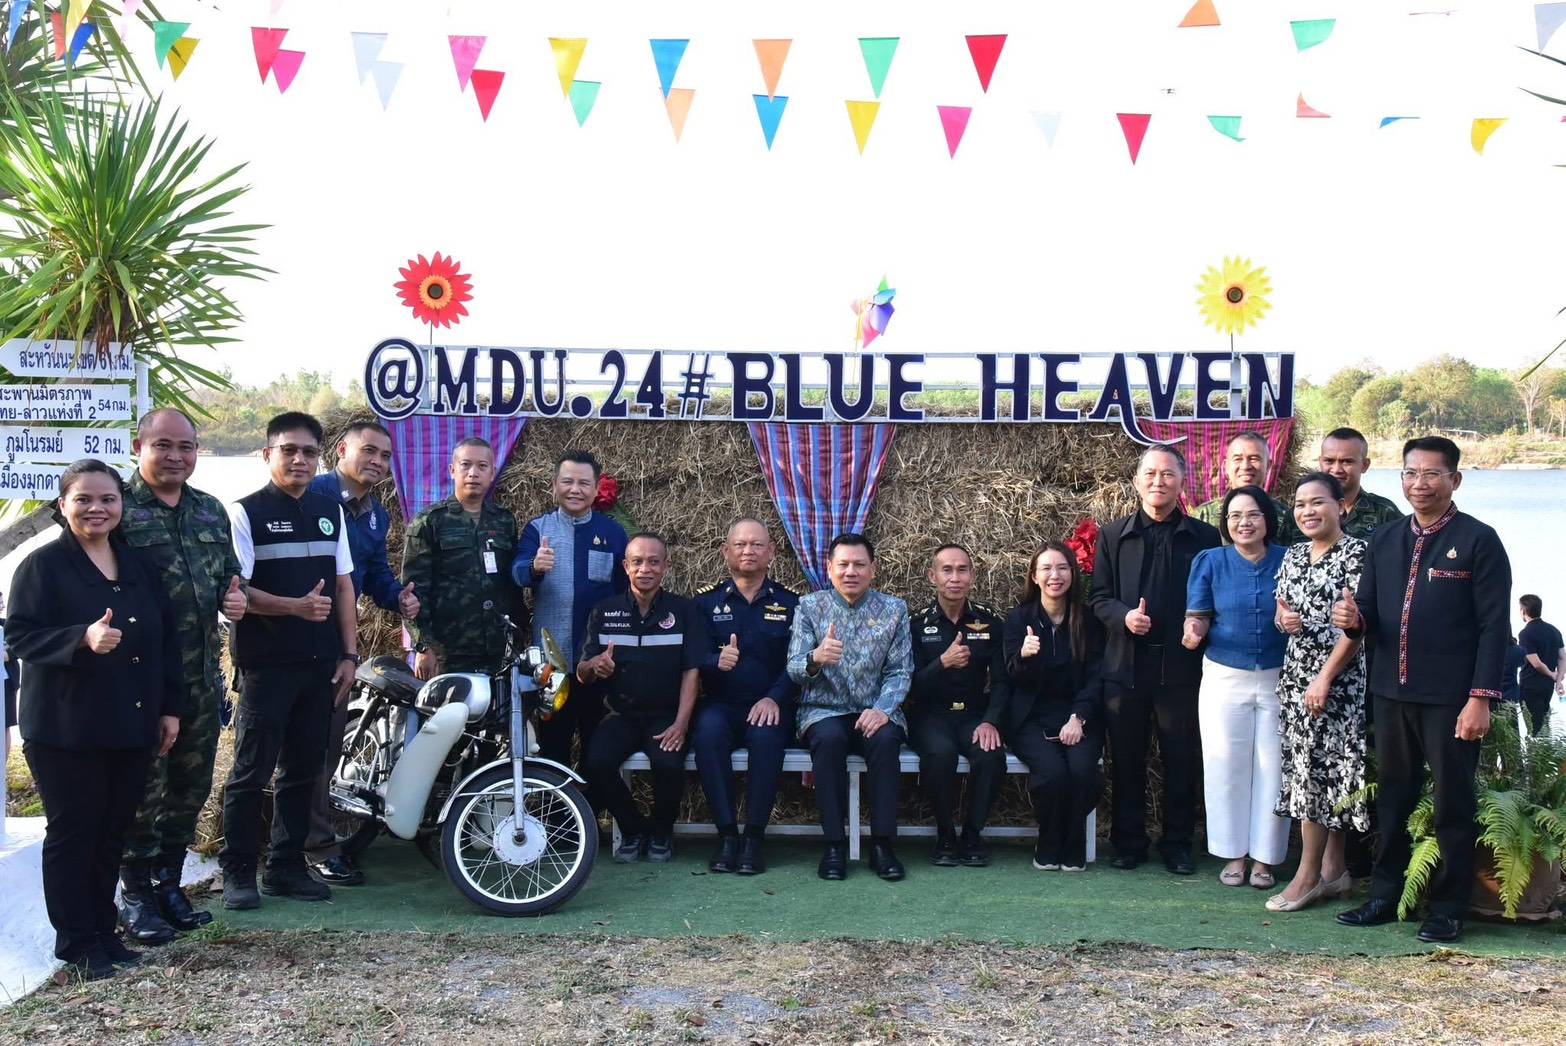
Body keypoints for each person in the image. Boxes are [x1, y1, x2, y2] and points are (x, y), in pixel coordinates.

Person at [8, 460, 181, 980]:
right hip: (66, 728)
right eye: (83, 499)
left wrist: (169, 709)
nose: (97, 509)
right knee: (74, 834)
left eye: (108, 499)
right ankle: (77, 943)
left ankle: (105, 933)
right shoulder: (42, 566)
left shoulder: (137, 564)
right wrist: (80, 638)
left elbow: (165, 643)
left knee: (111, 833)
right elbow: (20, 637)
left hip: (130, 721)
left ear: (122, 504)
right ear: (63, 505)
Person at [1336, 437, 1511, 944]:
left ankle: (1450, 907)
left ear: (1455, 480)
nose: (1420, 483)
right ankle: (1385, 896)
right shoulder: (1386, 538)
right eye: (1411, 473)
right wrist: (1351, 620)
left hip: (1451, 699)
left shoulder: (1478, 540)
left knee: (1453, 803)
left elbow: (1494, 627)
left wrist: (1480, 698)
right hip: (1391, 692)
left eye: (1432, 474)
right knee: (1393, 797)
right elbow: (1367, 614)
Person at [116, 408, 248, 942]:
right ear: (138, 447)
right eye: (163, 445)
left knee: (190, 787)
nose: (176, 456)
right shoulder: (117, 508)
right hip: (140, 680)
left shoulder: (209, 510)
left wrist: (235, 599)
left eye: (186, 446)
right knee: (143, 789)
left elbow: (229, 578)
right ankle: (135, 893)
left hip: (198, 676)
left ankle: (168, 882)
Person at [221, 412, 358, 910]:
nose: (299, 459)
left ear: (320, 458)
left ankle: (285, 867)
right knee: (251, 772)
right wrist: (293, 608)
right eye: (288, 450)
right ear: (268, 455)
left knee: (303, 771)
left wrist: (349, 654)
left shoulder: (330, 511)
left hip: (320, 665)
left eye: (308, 452)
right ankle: (238, 871)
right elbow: (235, 591)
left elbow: (343, 586)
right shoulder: (245, 513)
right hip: (266, 665)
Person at [1088, 444, 1221, 874]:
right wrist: (1124, 617)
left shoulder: (1205, 538)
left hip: (1181, 668)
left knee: (1181, 759)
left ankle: (1178, 843)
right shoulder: (1113, 535)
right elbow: (1098, 598)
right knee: (1126, 759)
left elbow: (1216, 597)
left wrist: (1200, 625)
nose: (1158, 481)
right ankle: (1128, 842)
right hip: (1125, 667)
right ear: (1137, 481)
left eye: (1167, 474)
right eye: (1150, 473)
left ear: (1182, 483)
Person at [303, 421, 420, 887]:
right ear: (340, 450)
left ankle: (316, 844)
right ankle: (288, 848)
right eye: (369, 451)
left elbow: (373, 575)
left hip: (337, 645)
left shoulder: (376, 516)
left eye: (385, 456)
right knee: (285, 749)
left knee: (325, 746)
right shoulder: (310, 495)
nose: (377, 461)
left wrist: (399, 598)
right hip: (291, 638)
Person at [1267, 473, 1369, 912]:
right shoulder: (1293, 554)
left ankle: (1306, 878)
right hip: (1296, 677)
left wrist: (1325, 678)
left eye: (1317, 502)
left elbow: (1358, 627)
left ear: (1341, 506)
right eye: (1300, 504)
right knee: (1309, 769)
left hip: (1337, 680)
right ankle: (1333, 871)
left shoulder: (1358, 553)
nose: (1307, 511)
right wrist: (1283, 621)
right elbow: (1282, 609)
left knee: (1323, 773)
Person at [787, 533, 913, 882]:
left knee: (885, 741)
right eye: (843, 564)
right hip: (824, 709)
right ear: (829, 569)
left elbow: (900, 671)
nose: (851, 571)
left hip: (876, 710)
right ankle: (834, 845)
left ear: (873, 569)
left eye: (859, 564)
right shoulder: (809, 607)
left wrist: (883, 709)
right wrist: (815, 658)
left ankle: (882, 845)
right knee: (828, 741)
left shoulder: (894, 609)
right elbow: (793, 669)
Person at [1182, 485, 1289, 891]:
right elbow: (1198, 615)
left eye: (1253, 514)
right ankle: (1233, 855)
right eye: (1235, 516)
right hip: (1225, 676)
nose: (1244, 523)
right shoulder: (1210, 561)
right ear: (1226, 524)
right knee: (1226, 766)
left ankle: (1265, 859)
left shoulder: (1290, 559)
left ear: (1267, 520)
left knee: (1273, 769)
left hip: (1280, 677)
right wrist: (1193, 631)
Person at [578, 532, 702, 862]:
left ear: (665, 567)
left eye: (653, 562)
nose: (645, 569)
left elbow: (692, 671)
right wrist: (595, 665)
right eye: (637, 562)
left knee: (669, 764)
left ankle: (661, 833)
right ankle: (633, 830)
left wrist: (681, 724)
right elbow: (582, 671)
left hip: (666, 715)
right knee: (597, 763)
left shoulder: (684, 610)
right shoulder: (604, 610)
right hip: (621, 715)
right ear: (625, 566)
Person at [691, 518, 799, 875]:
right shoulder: (705, 604)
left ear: (771, 552)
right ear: (726, 552)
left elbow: (797, 663)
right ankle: (727, 836)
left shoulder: (791, 604)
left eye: (756, 545)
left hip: (769, 704)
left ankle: (753, 838)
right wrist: (714, 661)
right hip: (720, 704)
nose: (748, 551)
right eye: (740, 544)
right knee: (707, 736)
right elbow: (691, 659)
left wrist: (775, 698)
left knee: (767, 741)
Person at [512, 450, 629, 765]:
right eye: (567, 482)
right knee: (553, 746)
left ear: (596, 489)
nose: (575, 489)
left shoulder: (613, 533)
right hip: (553, 665)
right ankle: (555, 798)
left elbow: (626, 591)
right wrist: (534, 567)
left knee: (598, 748)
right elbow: (518, 572)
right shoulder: (538, 530)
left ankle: (593, 798)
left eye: (583, 483)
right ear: (554, 485)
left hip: (598, 661)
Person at [1001, 542, 1105, 873]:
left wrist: (1079, 717)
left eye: (1062, 567)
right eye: (1046, 568)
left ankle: (1072, 841)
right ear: (1034, 576)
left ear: (1073, 573)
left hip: (1078, 716)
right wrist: (1025, 657)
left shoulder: (1088, 621)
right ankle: (1049, 839)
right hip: (1031, 719)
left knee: (1084, 772)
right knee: (1053, 775)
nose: (1054, 575)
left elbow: (1097, 677)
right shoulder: (1019, 620)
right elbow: (1011, 678)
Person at [906, 544, 1008, 867]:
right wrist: (942, 663)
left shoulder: (989, 622)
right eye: (946, 570)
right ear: (932, 576)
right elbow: (907, 685)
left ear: (972, 576)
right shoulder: (915, 624)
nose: (955, 578)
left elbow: (1003, 682)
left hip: (974, 714)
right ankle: (945, 834)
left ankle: (973, 835)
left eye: (962, 570)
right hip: (930, 715)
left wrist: (991, 721)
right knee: (940, 754)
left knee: (990, 754)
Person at [403, 437, 523, 678]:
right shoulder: (429, 521)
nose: (473, 473)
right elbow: (412, 593)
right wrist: (423, 646)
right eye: (465, 465)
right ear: (452, 470)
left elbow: (512, 588)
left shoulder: (504, 521)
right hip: (447, 652)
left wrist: (519, 636)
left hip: (498, 649)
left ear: (492, 473)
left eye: (482, 466)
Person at [1191, 431, 1298, 543]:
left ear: (1268, 465)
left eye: (1254, 458)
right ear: (1226, 466)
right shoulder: (1204, 515)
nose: (1245, 466)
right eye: (1238, 459)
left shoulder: (1286, 516)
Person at [1316, 427, 1405, 540]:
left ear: (1365, 465)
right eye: (1329, 461)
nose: (1337, 469)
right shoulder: (1304, 513)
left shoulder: (1385, 513)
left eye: (1347, 461)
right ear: (1320, 462)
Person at [1517, 594, 1564, 735]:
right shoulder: (1554, 630)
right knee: (1544, 725)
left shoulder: (1525, 633)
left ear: (1523, 611)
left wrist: (1552, 675)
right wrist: (1558, 679)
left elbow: (1536, 663)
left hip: (1530, 685)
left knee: (1534, 729)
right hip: (1547, 686)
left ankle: (1537, 748)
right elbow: (1563, 658)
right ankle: (1544, 747)